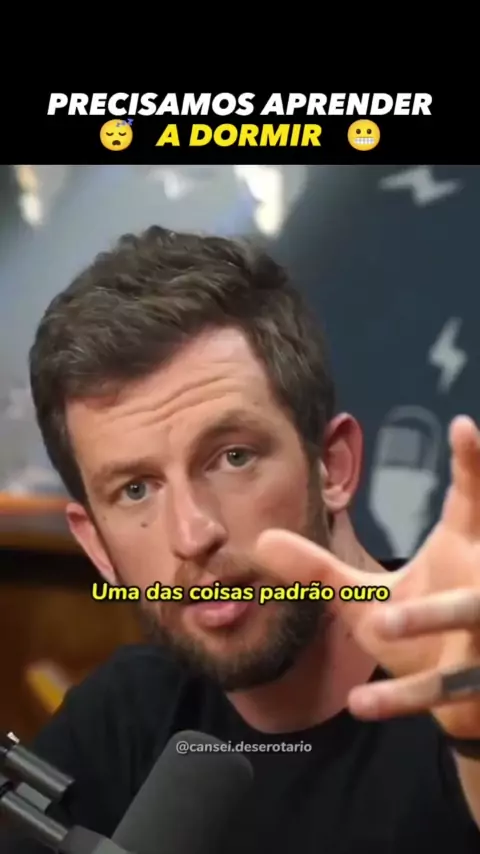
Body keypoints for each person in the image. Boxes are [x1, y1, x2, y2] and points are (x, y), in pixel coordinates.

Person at [2, 226, 480, 853]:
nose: (192, 534)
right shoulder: (117, 720)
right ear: (96, 546)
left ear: (332, 467)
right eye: (136, 490)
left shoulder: (461, 672)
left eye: (233, 457)